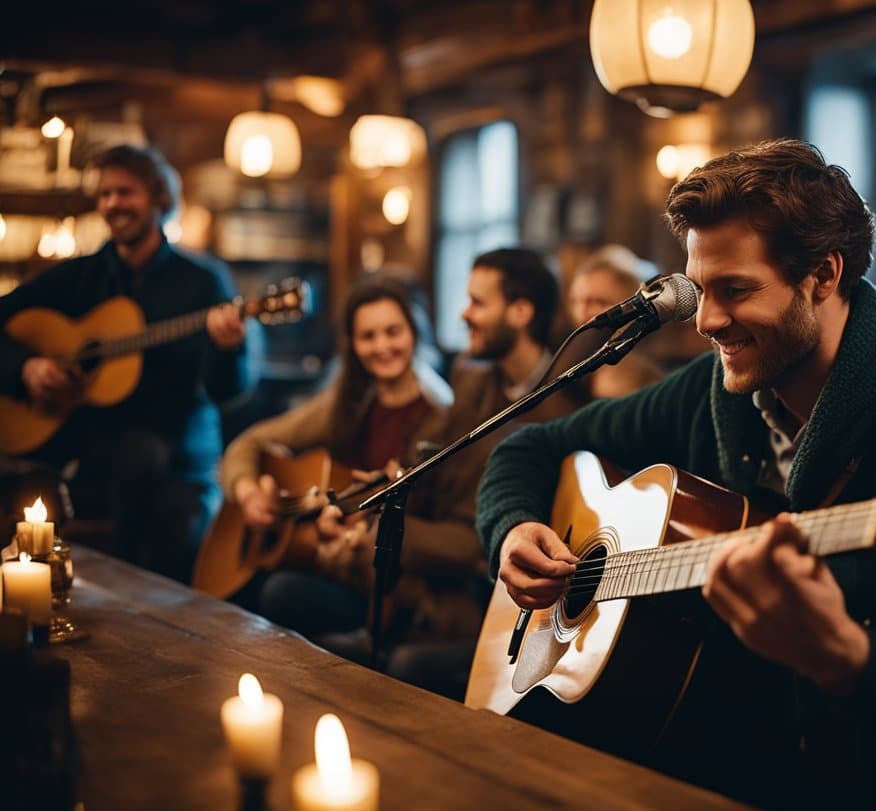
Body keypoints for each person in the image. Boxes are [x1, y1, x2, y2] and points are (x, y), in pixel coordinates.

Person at [475, 140, 876, 811]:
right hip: (698, 767)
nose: (706, 321)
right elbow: (529, 447)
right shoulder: (709, 393)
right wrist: (512, 528)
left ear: (823, 275)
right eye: (700, 289)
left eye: (736, 290)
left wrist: (850, 659)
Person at [315, 248, 579, 698]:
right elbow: (427, 464)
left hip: (497, 582)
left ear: (520, 312)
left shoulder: (562, 407)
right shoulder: (470, 376)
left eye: (478, 302)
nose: (463, 313)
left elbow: (481, 541)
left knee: (402, 663)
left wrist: (376, 529)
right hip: (443, 561)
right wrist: (353, 505)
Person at [0, 144, 255, 583]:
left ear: (158, 199)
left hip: (178, 457)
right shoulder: (80, 276)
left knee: (151, 477)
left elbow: (227, 392)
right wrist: (25, 367)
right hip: (87, 439)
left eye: (125, 192)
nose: (113, 204)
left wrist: (227, 348)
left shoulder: (202, 282)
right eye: (105, 194)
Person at [220, 274, 454, 642]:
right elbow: (249, 442)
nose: (382, 346)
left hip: (386, 587)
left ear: (414, 333)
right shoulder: (348, 401)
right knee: (241, 592)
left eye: (393, 332)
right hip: (335, 563)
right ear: (353, 344)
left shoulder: (440, 413)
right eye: (368, 336)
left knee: (277, 593)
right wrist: (248, 493)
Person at [565, 245, 665, 398]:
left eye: (598, 301)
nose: (581, 312)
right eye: (576, 301)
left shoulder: (640, 364)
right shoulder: (573, 352)